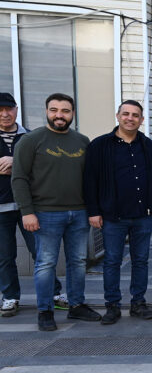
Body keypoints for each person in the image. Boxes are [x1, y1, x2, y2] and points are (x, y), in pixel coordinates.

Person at [12, 93, 101, 331]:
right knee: (45, 263)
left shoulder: (82, 141)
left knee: (78, 262)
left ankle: (77, 305)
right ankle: (45, 311)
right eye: (54, 110)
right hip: (45, 213)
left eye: (65, 111)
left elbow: (90, 179)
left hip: (79, 213)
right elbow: (19, 178)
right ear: (47, 111)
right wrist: (27, 212)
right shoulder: (31, 140)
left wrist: (93, 210)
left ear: (73, 113)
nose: (59, 115)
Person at [83, 100, 152, 324]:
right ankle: (112, 306)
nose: (130, 118)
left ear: (141, 120)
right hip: (112, 216)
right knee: (112, 261)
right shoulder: (100, 145)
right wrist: (93, 211)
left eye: (135, 115)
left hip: (142, 215)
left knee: (141, 260)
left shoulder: (146, 144)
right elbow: (90, 180)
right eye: (125, 114)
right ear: (117, 116)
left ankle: (138, 303)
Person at [0, 92, 65, 318]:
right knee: (4, 256)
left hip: (30, 207)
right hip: (1, 208)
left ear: (16, 110)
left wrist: (15, 161)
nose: (5, 114)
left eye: (8, 109)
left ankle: (54, 294)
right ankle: (10, 297)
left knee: (41, 253)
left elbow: (44, 164)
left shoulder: (31, 136)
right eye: (0, 110)